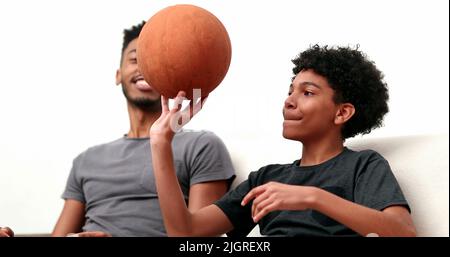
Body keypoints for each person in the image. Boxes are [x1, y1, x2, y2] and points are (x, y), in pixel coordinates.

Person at [149, 45, 417, 237]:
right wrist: (161, 143)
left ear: (342, 112)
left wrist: (313, 197)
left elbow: (402, 233)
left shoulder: (363, 166)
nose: (289, 100)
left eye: (308, 93)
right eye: (290, 91)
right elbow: (186, 233)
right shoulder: (266, 179)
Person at [51, 21, 235, 237]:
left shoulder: (202, 146)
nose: (143, 68)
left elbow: (196, 242)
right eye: (135, 60)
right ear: (118, 74)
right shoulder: (87, 159)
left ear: (173, 74)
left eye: (155, 61)